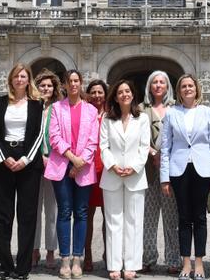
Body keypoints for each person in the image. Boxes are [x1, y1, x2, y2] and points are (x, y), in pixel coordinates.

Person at [160, 74, 210, 280]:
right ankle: (185, 263)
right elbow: (166, 147)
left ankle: (200, 263)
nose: (187, 89)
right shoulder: (171, 113)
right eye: (183, 86)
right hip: (179, 170)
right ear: (178, 91)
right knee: (184, 218)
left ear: (196, 89)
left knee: (200, 217)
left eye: (190, 86)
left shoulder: (207, 113)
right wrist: (164, 178)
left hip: (202, 169)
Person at [0, 65, 47, 280]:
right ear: (11, 79)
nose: (19, 79)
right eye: (16, 76)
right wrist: (4, 157)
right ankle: (5, 264)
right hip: (4, 159)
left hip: (28, 162)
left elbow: (39, 134)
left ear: (28, 79)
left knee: (27, 216)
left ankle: (23, 268)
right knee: (3, 216)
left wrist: (25, 159)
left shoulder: (37, 104)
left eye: (23, 76)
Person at [46, 70, 100, 279]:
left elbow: (93, 141)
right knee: (64, 211)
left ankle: (78, 258)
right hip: (62, 166)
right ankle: (65, 258)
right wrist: (71, 157)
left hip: (83, 168)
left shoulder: (90, 110)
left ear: (81, 83)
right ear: (65, 85)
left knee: (81, 213)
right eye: (70, 81)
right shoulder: (56, 108)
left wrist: (80, 162)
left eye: (77, 81)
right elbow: (54, 137)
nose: (74, 84)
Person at [100, 80, 151, 280]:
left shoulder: (143, 118)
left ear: (133, 94)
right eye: (120, 92)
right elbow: (103, 146)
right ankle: (114, 265)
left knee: (134, 221)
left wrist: (134, 167)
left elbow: (144, 146)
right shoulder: (107, 119)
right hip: (111, 174)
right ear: (115, 96)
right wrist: (112, 165)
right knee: (113, 221)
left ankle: (131, 266)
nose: (124, 94)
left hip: (135, 176)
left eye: (127, 91)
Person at [141, 70, 181, 274]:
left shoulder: (176, 108)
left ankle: (173, 259)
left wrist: (163, 154)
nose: (158, 85)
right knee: (148, 216)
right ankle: (147, 258)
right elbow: (136, 136)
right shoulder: (140, 109)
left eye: (162, 82)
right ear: (149, 86)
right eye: (154, 82)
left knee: (171, 217)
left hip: (171, 169)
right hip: (147, 168)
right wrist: (151, 152)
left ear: (167, 87)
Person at [35, 70, 64, 269]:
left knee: (52, 210)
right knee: (33, 210)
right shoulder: (32, 107)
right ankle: (34, 249)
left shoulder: (59, 109)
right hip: (34, 164)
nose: (46, 88)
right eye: (42, 85)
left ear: (55, 89)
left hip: (54, 163)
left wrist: (51, 157)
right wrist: (38, 157)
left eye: (49, 86)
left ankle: (51, 251)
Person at [84, 79, 110, 273]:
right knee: (87, 215)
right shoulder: (85, 112)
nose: (97, 95)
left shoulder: (112, 114)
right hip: (88, 168)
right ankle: (87, 254)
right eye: (93, 92)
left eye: (100, 92)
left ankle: (108, 254)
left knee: (108, 216)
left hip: (108, 169)